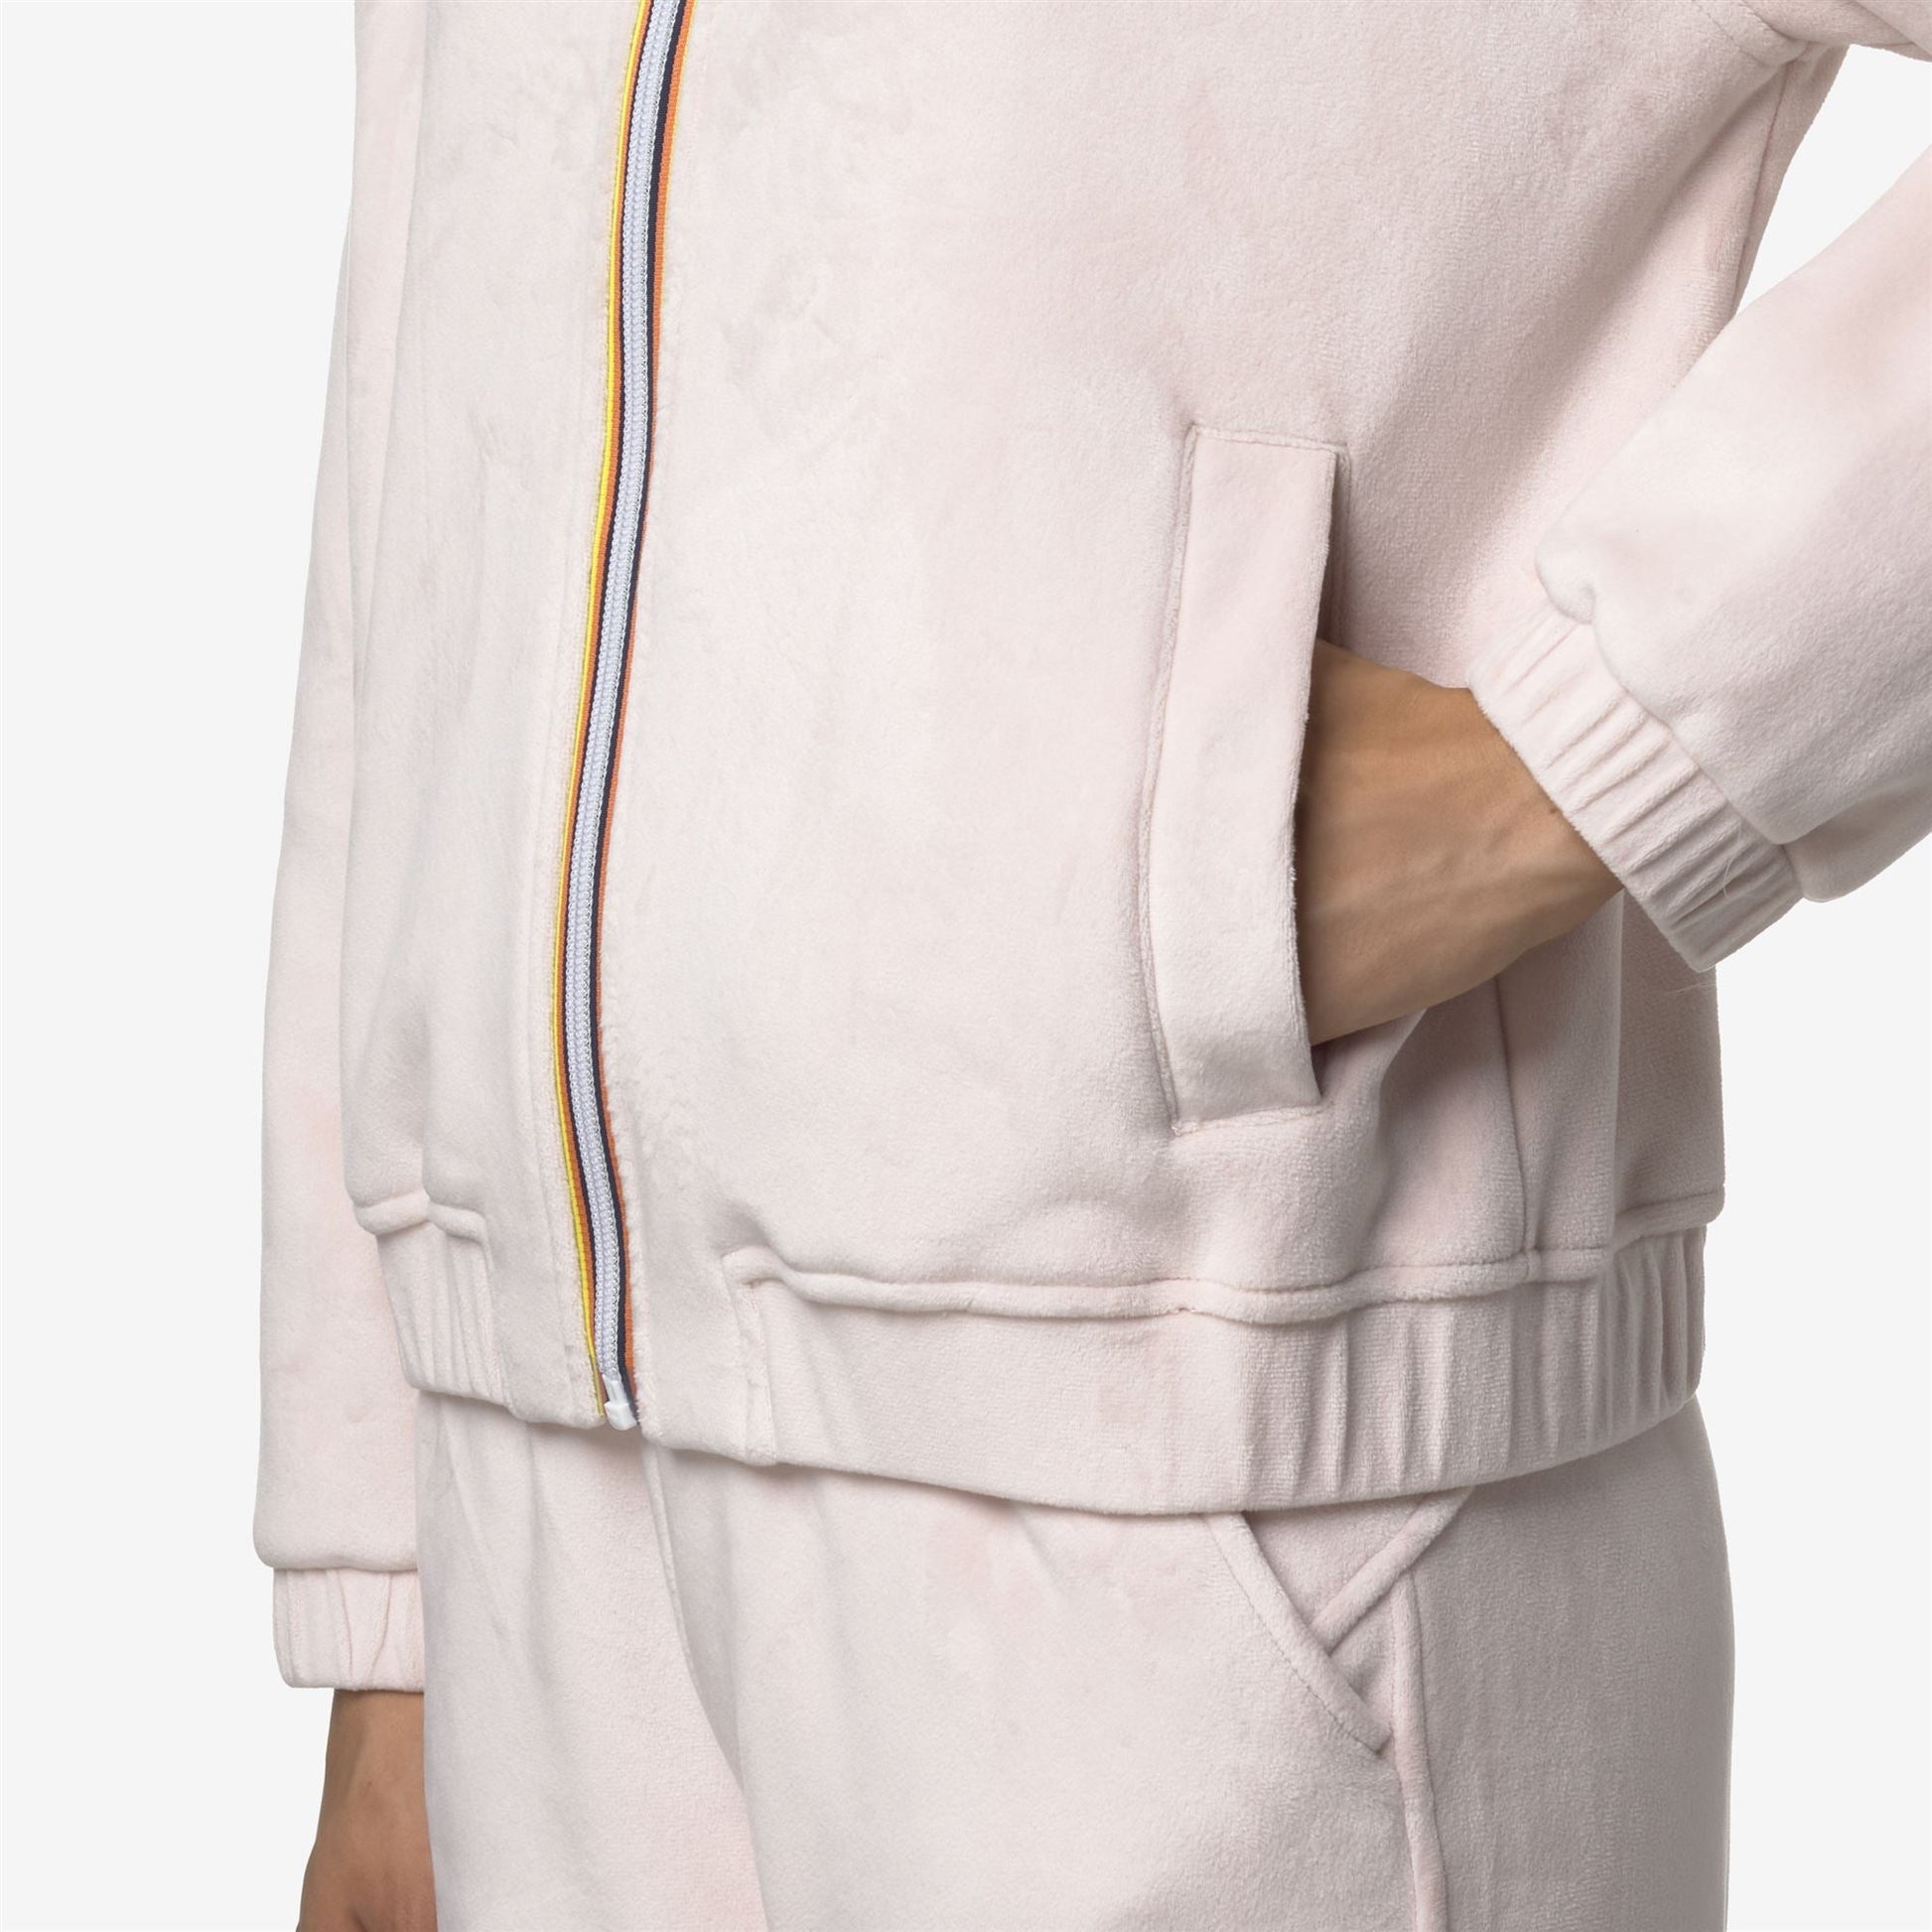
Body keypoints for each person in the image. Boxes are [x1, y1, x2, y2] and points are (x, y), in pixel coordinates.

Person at [259, 1, 1930, 1926]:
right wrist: (389, 1594)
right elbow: (414, 409)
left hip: (1226, 1512)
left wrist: (1595, 748)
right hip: (538, 1535)